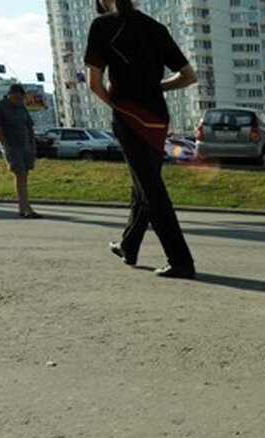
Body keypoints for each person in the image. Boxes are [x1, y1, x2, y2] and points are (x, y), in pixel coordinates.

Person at [84, 0, 198, 279]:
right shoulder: (155, 27)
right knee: (144, 182)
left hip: (129, 116)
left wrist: (118, 105)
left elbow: (94, 83)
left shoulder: (103, 26)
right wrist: (157, 86)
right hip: (157, 117)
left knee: (150, 188)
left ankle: (180, 260)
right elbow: (188, 76)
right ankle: (128, 245)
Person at [0, 85, 41, 219]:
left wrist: (33, 145)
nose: (20, 100)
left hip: (25, 145)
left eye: (21, 98)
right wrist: (5, 146)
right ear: (10, 94)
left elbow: (29, 126)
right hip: (12, 146)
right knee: (20, 174)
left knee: (24, 175)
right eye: (17, 97)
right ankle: (27, 207)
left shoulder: (21, 106)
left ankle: (22, 207)